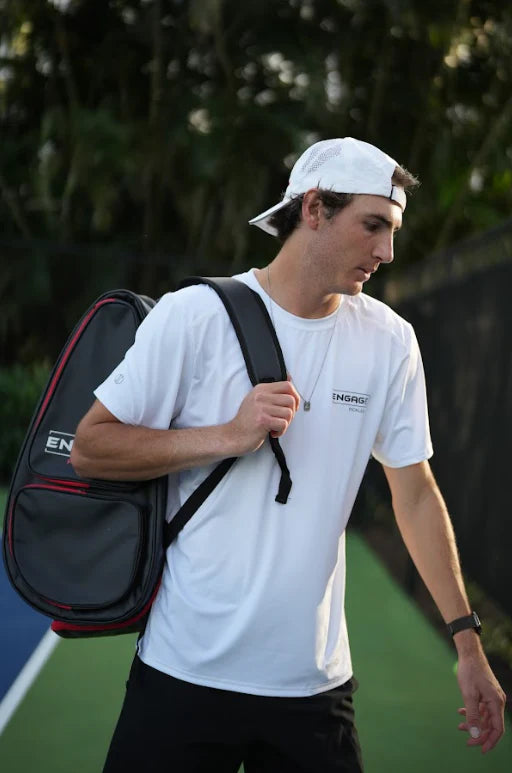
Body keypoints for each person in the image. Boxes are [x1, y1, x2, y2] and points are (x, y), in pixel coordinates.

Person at [71, 137, 506, 772]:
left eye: (393, 231)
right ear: (313, 209)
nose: (387, 251)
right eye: (373, 226)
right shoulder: (194, 316)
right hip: (182, 673)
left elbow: (414, 493)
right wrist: (227, 434)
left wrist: (467, 643)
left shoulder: (390, 342)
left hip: (314, 689)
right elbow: (91, 447)